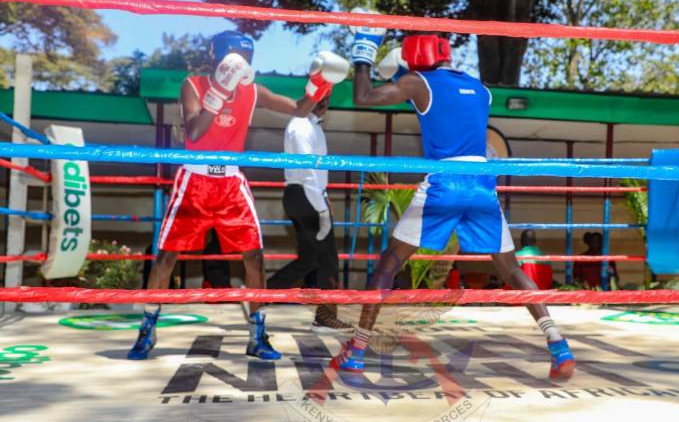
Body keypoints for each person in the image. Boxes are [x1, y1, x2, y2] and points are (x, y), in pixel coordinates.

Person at [330, 21, 575, 381]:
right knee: (510, 269)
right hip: (482, 184)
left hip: (446, 183)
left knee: (389, 263)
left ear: (417, 58)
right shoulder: (481, 89)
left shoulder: (417, 83)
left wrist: (363, 55)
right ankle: (558, 344)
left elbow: (363, 97)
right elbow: (445, 105)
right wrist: (402, 73)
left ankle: (358, 350)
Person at [127, 30, 349, 360]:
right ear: (216, 57)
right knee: (166, 257)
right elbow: (195, 131)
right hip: (195, 181)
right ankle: (147, 329)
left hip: (231, 183)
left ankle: (257, 334)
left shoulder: (252, 91)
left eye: (244, 59)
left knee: (254, 257)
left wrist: (319, 84)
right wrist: (218, 91)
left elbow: (300, 110)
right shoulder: (194, 85)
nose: (239, 64)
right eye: (234, 57)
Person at [268, 96, 351, 333]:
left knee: (310, 258)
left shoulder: (310, 125)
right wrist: (322, 207)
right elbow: (307, 172)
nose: (325, 103)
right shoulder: (301, 126)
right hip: (305, 194)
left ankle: (261, 292)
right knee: (328, 257)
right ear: (307, 100)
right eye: (320, 98)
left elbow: (313, 173)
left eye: (328, 98)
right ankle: (326, 318)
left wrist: (322, 199)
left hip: (306, 195)